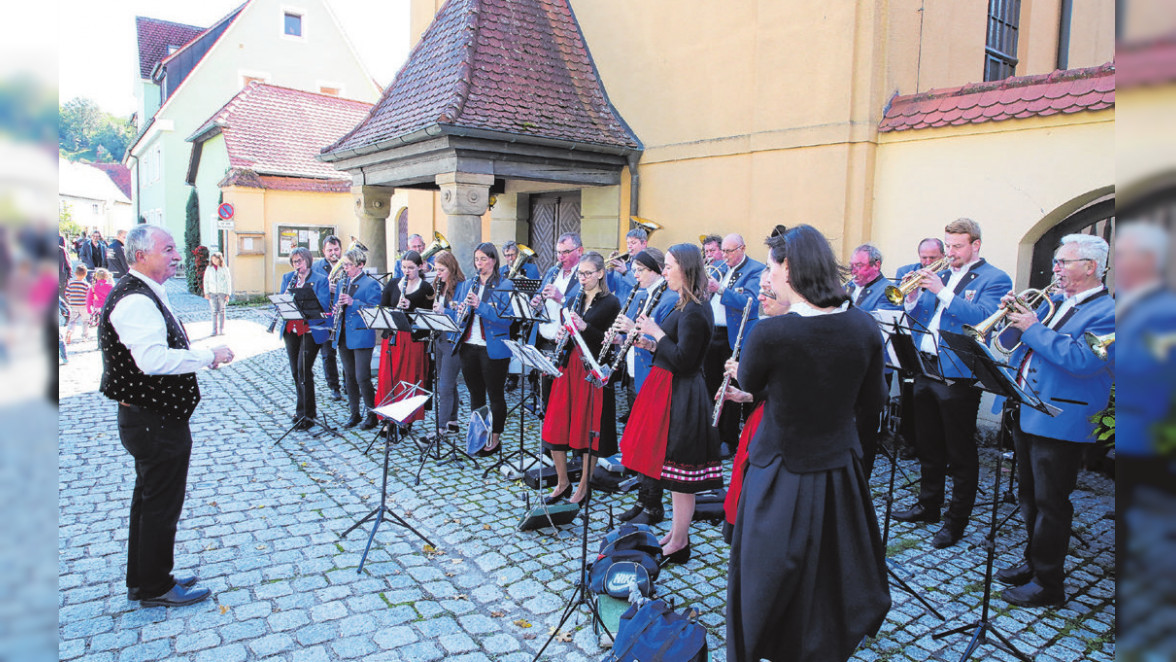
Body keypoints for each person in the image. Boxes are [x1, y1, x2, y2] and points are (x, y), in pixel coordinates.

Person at [726, 224, 889, 662]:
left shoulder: (771, 333)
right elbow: (873, 402)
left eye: (773, 266)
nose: (769, 276)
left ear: (789, 268)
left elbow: (749, 381)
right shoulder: (865, 326)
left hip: (780, 470)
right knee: (833, 572)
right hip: (840, 470)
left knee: (767, 575)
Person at [98, 224, 234, 607]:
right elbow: (153, 360)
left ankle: (145, 578)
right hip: (153, 421)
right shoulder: (136, 300)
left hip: (151, 418)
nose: (177, 255)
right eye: (168, 248)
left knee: (149, 500)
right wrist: (209, 356)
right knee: (160, 504)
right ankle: (156, 586)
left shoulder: (141, 292)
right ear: (141, 255)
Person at [993, 234, 1115, 608]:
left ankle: (1049, 584)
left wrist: (1033, 326)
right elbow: (1014, 342)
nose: (1055, 269)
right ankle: (1034, 562)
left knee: (1052, 503)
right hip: (1031, 408)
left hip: (1062, 416)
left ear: (1090, 267)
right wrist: (1014, 317)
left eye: (1064, 262)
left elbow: (1083, 360)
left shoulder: (1108, 312)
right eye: (1057, 262)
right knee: (1030, 496)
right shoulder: (1060, 302)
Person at [894, 218, 1012, 548]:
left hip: (959, 374)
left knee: (959, 451)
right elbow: (920, 318)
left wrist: (941, 291)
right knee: (928, 443)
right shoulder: (941, 274)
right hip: (925, 367)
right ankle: (928, 505)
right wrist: (913, 296)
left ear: (976, 245)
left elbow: (981, 318)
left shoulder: (995, 278)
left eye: (957, 246)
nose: (950, 252)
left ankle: (955, 521)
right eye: (948, 245)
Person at [620, 243, 723, 562]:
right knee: (677, 476)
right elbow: (672, 350)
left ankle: (679, 542)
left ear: (686, 268)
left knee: (682, 475)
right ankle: (677, 535)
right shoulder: (683, 304)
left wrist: (656, 335)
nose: (664, 271)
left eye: (669, 265)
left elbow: (685, 361)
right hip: (671, 388)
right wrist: (647, 342)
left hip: (684, 394)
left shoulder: (695, 309)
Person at [541, 252, 621, 505]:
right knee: (556, 423)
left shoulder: (611, 303)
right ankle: (563, 482)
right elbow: (570, 334)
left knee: (588, 428)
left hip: (591, 368)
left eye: (587, 273)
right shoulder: (575, 298)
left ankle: (584, 486)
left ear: (600, 273)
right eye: (580, 274)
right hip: (568, 366)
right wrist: (561, 336)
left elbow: (609, 344)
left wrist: (585, 328)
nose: (582, 278)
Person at [612, 248, 679, 526]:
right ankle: (643, 499)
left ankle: (653, 504)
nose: (635, 275)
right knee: (639, 441)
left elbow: (661, 340)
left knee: (652, 443)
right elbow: (635, 336)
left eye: (639, 270)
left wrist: (630, 329)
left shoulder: (670, 298)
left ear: (655, 270)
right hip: (634, 372)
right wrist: (618, 338)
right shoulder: (640, 295)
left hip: (654, 376)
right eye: (635, 270)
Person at [720, 269, 786, 541]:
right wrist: (746, 395)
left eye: (767, 290)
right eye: (760, 289)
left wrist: (742, 372)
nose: (760, 297)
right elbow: (775, 389)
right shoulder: (767, 325)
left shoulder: (781, 330)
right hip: (762, 415)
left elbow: (789, 390)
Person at [704, 233, 764, 456]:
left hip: (735, 337)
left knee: (729, 387)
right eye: (724, 251)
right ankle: (712, 433)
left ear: (742, 248)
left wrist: (719, 289)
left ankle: (728, 440)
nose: (725, 256)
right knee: (711, 385)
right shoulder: (719, 267)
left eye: (730, 251)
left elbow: (749, 302)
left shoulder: (755, 270)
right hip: (712, 333)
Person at [454, 243, 515, 455]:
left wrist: (480, 306)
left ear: (494, 260)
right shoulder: (467, 284)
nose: (479, 264)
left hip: (494, 348)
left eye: (483, 259)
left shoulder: (504, 285)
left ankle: (495, 438)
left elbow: (506, 320)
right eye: (477, 260)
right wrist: (460, 311)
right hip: (469, 346)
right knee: (475, 394)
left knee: (496, 395)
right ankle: (478, 436)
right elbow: (456, 315)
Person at [376, 250, 435, 422]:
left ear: (420, 267)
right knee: (388, 377)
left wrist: (411, 307)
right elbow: (383, 308)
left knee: (409, 379)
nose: (406, 271)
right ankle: (387, 417)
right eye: (404, 267)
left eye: (411, 268)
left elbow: (429, 315)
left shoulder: (426, 288)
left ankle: (407, 419)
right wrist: (395, 309)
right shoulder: (393, 283)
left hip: (413, 340)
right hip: (393, 338)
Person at [529, 232, 584, 403]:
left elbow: (583, 307)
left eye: (566, 252)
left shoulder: (583, 274)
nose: (561, 257)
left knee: (563, 397)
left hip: (567, 344)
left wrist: (561, 298)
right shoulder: (553, 271)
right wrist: (537, 302)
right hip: (544, 339)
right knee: (544, 393)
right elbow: (540, 296)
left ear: (580, 251)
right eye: (558, 252)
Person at [332, 248, 383, 430]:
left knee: (362, 376)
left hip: (361, 334)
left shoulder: (370, 284)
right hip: (344, 335)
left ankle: (372, 413)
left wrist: (354, 303)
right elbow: (338, 306)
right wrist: (336, 309)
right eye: (344, 264)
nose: (345, 268)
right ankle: (354, 413)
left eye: (348, 265)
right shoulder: (342, 283)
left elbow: (375, 309)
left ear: (360, 265)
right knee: (349, 377)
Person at [280, 248, 331, 430]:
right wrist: (285, 298)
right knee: (296, 371)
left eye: (300, 261)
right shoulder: (288, 278)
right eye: (294, 262)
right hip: (291, 329)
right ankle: (302, 410)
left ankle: (307, 415)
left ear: (308, 261)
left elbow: (324, 305)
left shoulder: (320, 279)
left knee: (304, 369)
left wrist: (305, 300)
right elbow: (281, 304)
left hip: (310, 329)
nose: (297, 265)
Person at [431, 250, 467, 438]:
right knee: (447, 382)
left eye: (442, 270)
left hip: (454, 340)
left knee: (444, 385)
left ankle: (441, 426)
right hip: (440, 337)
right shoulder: (438, 284)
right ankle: (453, 420)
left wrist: (445, 310)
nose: (438, 273)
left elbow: (464, 317)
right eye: (436, 270)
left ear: (451, 268)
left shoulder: (462, 286)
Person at [313, 235, 345, 401]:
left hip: (344, 315)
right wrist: (327, 288)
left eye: (336, 249)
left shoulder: (347, 264)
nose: (333, 253)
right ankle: (334, 387)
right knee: (328, 354)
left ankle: (349, 385)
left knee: (348, 352)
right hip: (326, 316)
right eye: (330, 250)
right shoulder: (317, 267)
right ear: (323, 251)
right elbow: (312, 290)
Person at [847, 244, 900, 314]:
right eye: (851, 265)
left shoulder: (891, 292)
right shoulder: (846, 287)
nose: (853, 271)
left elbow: (879, 322)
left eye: (859, 265)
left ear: (876, 265)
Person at [605, 227, 649, 300]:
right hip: (619, 308)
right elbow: (609, 289)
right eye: (628, 243)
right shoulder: (624, 263)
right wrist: (610, 271)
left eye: (633, 243)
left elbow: (642, 288)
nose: (629, 246)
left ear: (644, 244)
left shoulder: (649, 265)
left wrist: (625, 273)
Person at [203, 251, 232, 336]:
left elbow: (228, 281)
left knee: (222, 311)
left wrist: (228, 294)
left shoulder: (224, 268)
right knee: (214, 311)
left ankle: (221, 329)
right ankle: (214, 330)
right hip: (212, 292)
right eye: (213, 259)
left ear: (220, 260)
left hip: (222, 292)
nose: (214, 261)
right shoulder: (209, 268)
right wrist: (206, 292)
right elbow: (206, 281)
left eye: (216, 259)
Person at [63, 264, 91, 343]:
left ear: (75, 274)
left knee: (72, 320)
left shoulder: (71, 283)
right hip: (83, 305)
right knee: (85, 321)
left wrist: (70, 300)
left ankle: (70, 331)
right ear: (85, 274)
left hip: (74, 305)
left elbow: (67, 293)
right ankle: (84, 336)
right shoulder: (86, 285)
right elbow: (88, 295)